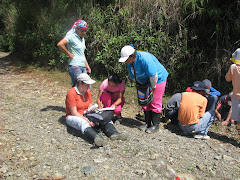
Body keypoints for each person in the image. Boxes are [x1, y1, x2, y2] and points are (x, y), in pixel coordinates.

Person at [65, 73, 127, 147]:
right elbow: (74, 112)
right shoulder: (71, 93)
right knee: (82, 122)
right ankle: (96, 137)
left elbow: (89, 105)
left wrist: (92, 110)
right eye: (87, 84)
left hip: (86, 114)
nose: (89, 86)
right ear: (80, 83)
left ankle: (114, 133)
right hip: (73, 116)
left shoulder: (87, 91)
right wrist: (87, 120)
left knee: (104, 117)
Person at [119, 45, 168, 133]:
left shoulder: (145, 59)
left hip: (158, 79)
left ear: (132, 56)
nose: (126, 61)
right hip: (143, 80)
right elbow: (133, 76)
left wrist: (152, 88)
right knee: (144, 101)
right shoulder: (130, 63)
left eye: (126, 59)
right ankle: (147, 123)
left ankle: (156, 125)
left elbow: (153, 75)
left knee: (154, 101)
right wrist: (141, 87)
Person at [57, 19, 91, 85]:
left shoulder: (82, 38)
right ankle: (72, 95)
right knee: (79, 86)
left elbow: (82, 52)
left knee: (87, 86)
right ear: (77, 29)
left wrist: (86, 65)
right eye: (82, 30)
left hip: (82, 65)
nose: (83, 32)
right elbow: (60, 44)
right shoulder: (71, 36)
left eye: (85, 31)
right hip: (75, 65)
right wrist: (69, 54)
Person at [225, 48, 240, 137]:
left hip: (237, 97)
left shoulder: (233, 67)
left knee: (238, 120)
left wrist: (231, 64)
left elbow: (227, 79)